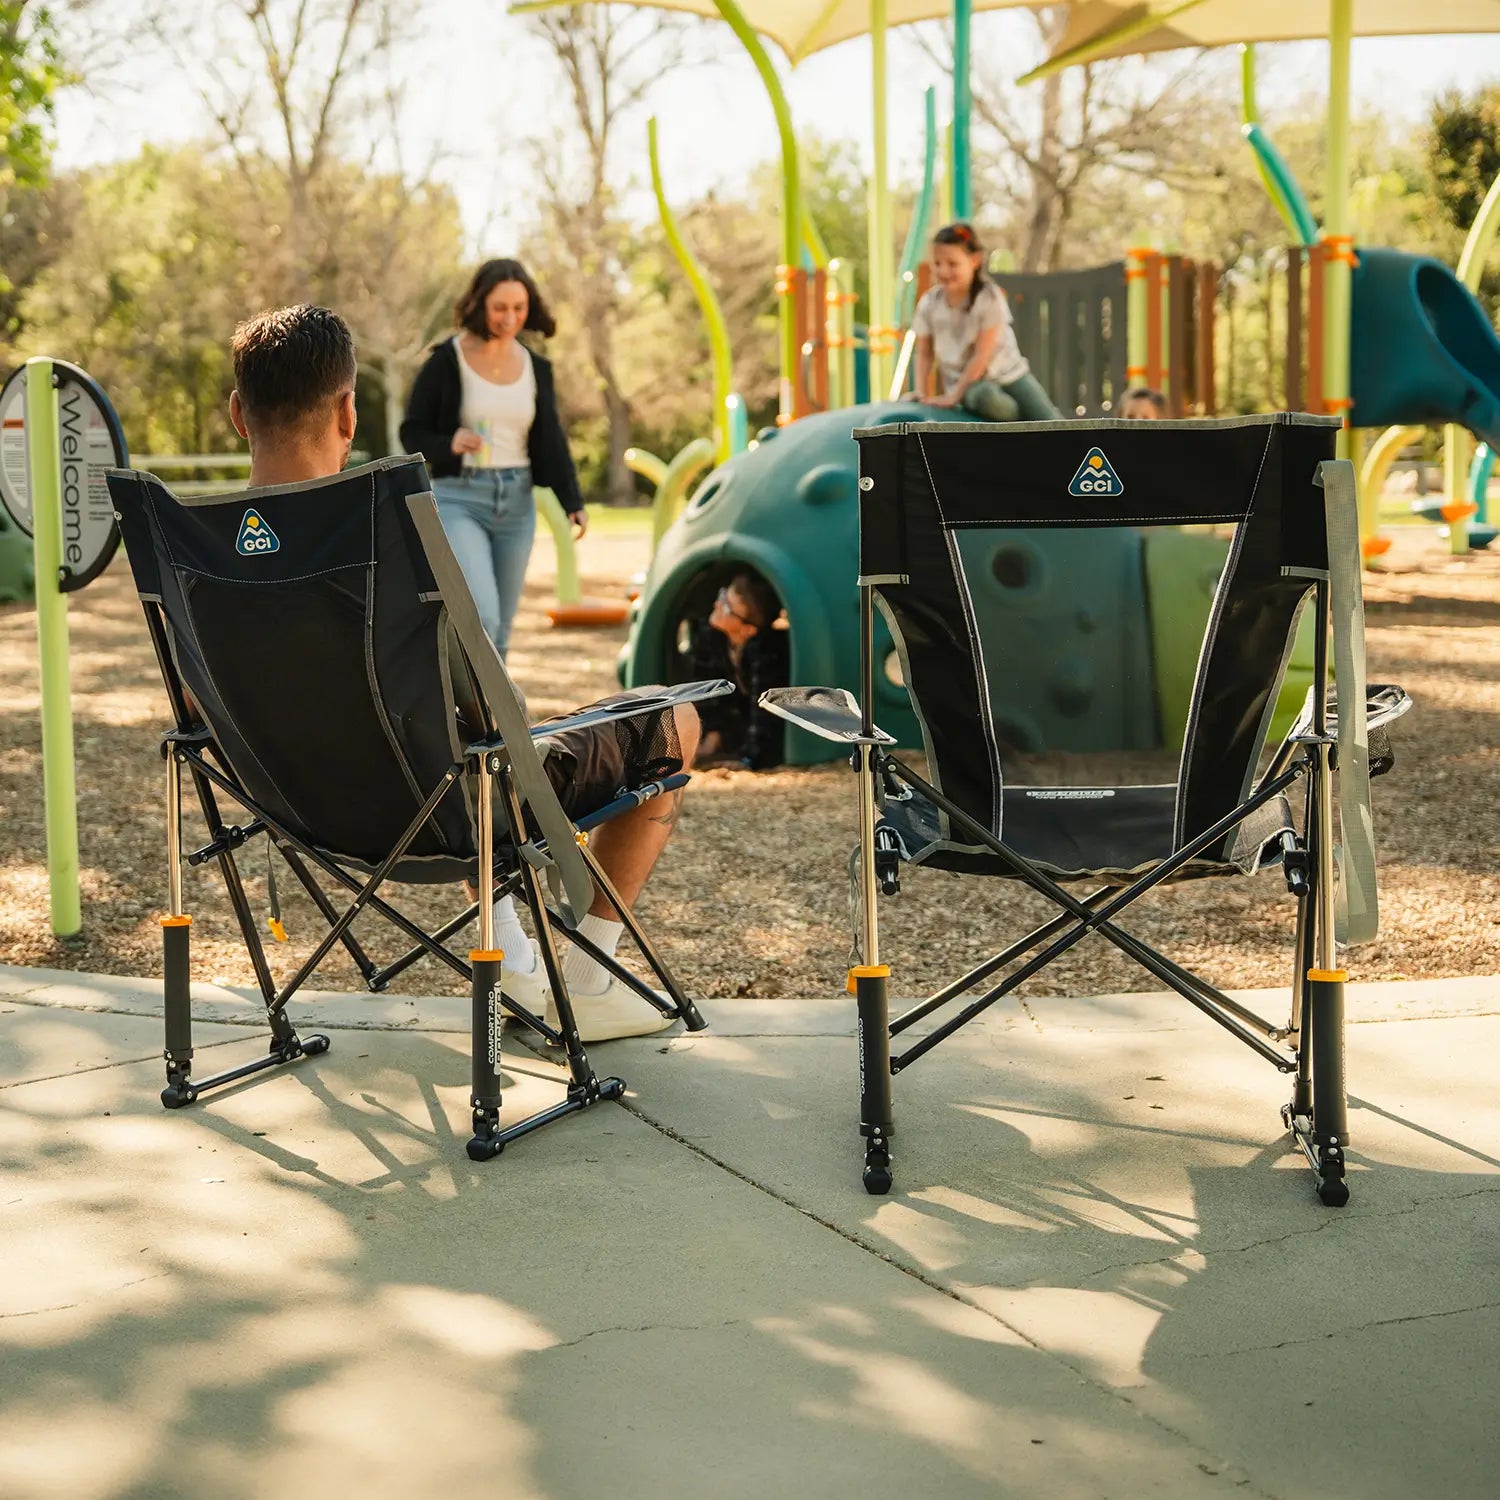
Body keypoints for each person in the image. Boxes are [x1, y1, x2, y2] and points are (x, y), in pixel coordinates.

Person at [231, 304, 695, 1042]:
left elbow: (201, 716)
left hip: (302, 816)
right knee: (675, 715)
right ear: (349, 414)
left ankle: (512, 950)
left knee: (466, 757)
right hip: (445, 817)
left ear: (236, 414)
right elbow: (493, 709)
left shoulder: (195, 554)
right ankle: (592, 981)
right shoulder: (392, 535)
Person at [400, 258, 586, 661]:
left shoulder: (536, 367)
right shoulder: (447, 361)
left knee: (501, 626)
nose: (510, 317)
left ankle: (489, 718)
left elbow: (551, 441)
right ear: (480, 303)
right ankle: (473, 706)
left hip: (516, 501)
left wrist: (573, 501)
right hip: (459, 498)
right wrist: (450, 441)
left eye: (519, 308)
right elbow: (412, 431)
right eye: (500, 307)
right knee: (482, 615)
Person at [911, 223, 1062, 423]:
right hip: (971, 385)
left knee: (1051, 420)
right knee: (988, 399)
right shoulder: (929, 304)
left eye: (952, 264)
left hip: (1012, 375)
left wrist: (952, 398)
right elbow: (924, 353)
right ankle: (1023, 428)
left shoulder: (989, 298)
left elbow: (982, 354)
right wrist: (922, 393)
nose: (944, 271)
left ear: (974, 261)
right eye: (937, 264)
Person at [685, 571, 790, 770]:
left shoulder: (766, 654)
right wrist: (712, 737)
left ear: (747, 630)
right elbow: (706, 690)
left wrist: (749, 760)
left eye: (726, 607)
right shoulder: (712, 638)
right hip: (736, 726)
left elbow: (766, 713)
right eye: (723, 595)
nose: (717, 604)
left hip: (755, 732)